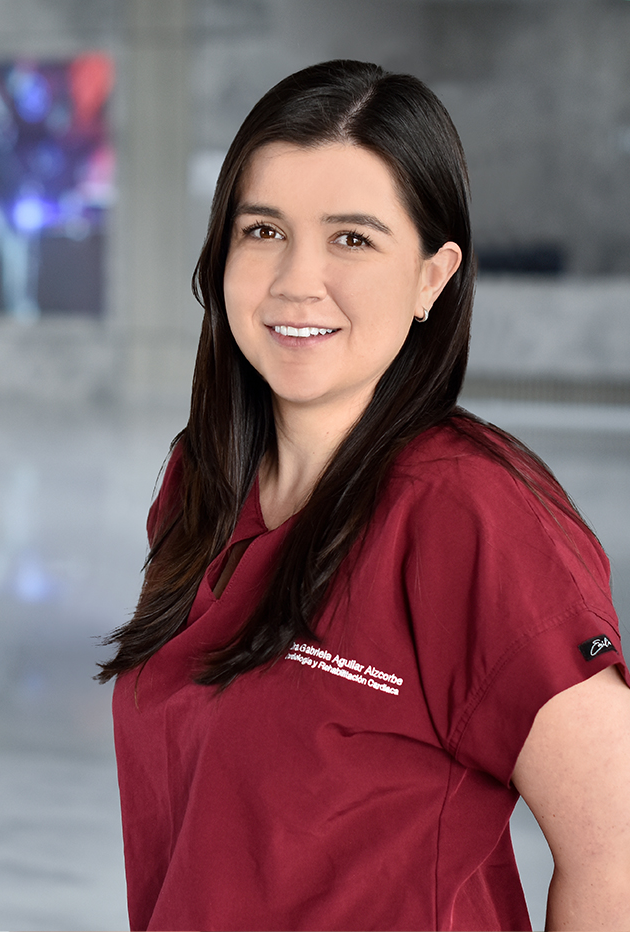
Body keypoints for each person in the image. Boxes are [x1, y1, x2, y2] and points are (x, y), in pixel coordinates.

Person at [99, 60, 630, 931]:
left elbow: (616, 849)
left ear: (432, 276)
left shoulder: (470, 517)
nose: (296, 282)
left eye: (353, 238)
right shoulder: (206, 477)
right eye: (263, 230)